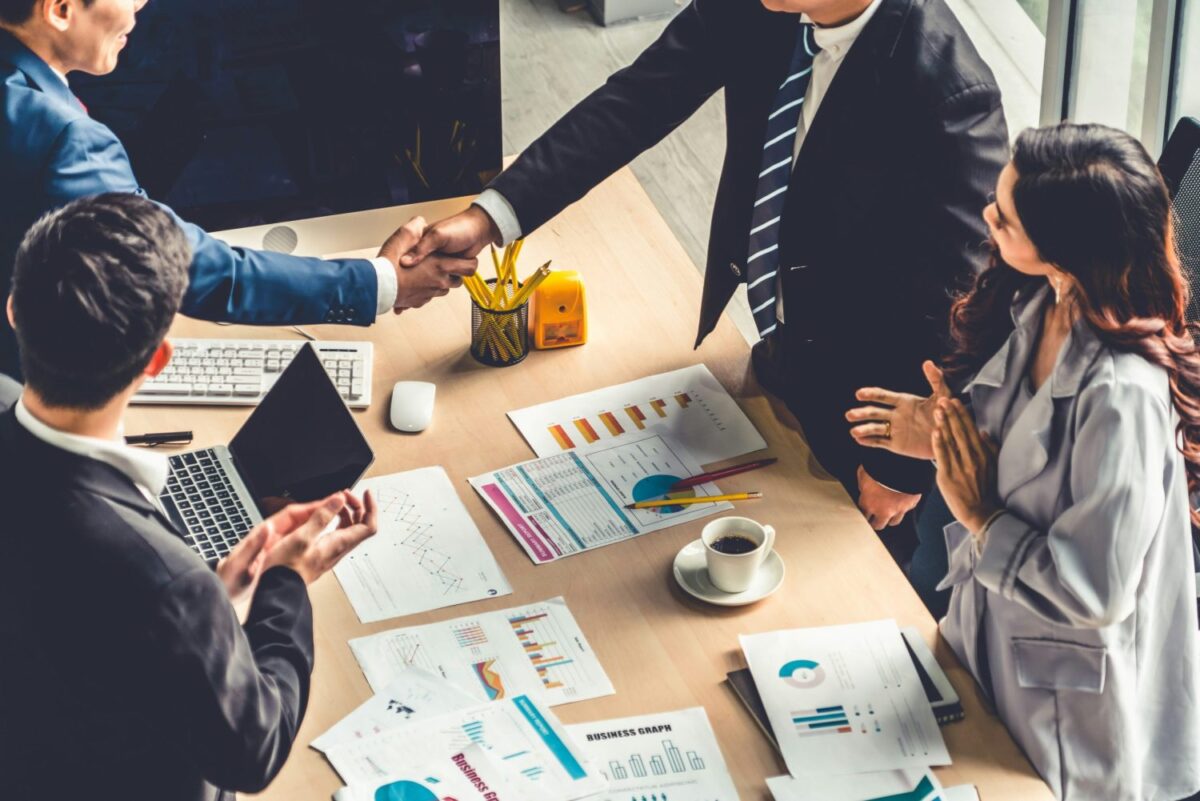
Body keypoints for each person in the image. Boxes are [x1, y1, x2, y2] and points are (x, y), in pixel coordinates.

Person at [395, 0, 1009, 562]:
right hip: (778, 354)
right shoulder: (762, 6)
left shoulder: (952, 95)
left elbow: (957, 304)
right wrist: (488, 219)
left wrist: (896, 467)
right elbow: (636, 101)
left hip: (871, 413)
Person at [848, 122, 1200, 800]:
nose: (988, 214)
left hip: (1065, 717)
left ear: (1062, 250)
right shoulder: (1046, 300)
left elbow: (1095, 592)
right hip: (988, 646)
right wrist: (944, 430)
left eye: (1004, 216)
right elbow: (1026, 441)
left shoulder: (1123, 400)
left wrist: (980, 513)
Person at [0, 193, 380, 800]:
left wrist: (211, 612)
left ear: (15, 311)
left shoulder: (175, 591)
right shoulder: (170, 582)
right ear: (157, 359)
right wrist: (285, 582)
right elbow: (251, 753)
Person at [0, 0, 477, 379]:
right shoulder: (66, 137)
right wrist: (379, 282)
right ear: (60, 10)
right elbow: (183, 266)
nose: (141, 6)